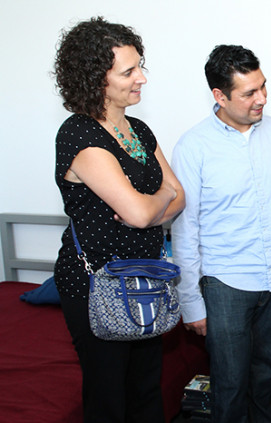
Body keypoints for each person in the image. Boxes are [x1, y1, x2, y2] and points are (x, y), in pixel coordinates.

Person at [53, 17, 185, 422]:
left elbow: (179, 197)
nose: (141, 78)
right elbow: (143, 212)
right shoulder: (79, 135)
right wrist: (158, 198)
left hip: (145, 275)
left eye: (139, 65)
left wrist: (156, 201)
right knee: (109, 397)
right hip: (98, 284)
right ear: (96, 79)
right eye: (129, 71)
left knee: (146, 390)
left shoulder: (139, 131)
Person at [171, 44, 271, 423]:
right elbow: (185, 230)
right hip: (226, 286)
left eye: (263, 87)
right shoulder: (193, 147)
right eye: (249, 93)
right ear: (219, 96)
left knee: (266, 381)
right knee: (230, 388)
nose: (262, 99)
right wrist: (191, 304)